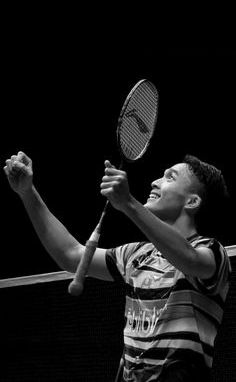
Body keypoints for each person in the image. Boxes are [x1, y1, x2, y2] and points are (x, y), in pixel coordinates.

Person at [4, 151, 231, 382]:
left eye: (170, 178)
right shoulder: (136, 254)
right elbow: (70, 255)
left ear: (192, 202)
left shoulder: (212, 252)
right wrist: (27, 192)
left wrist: (129, 203)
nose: (155, 181)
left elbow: (188, 259)